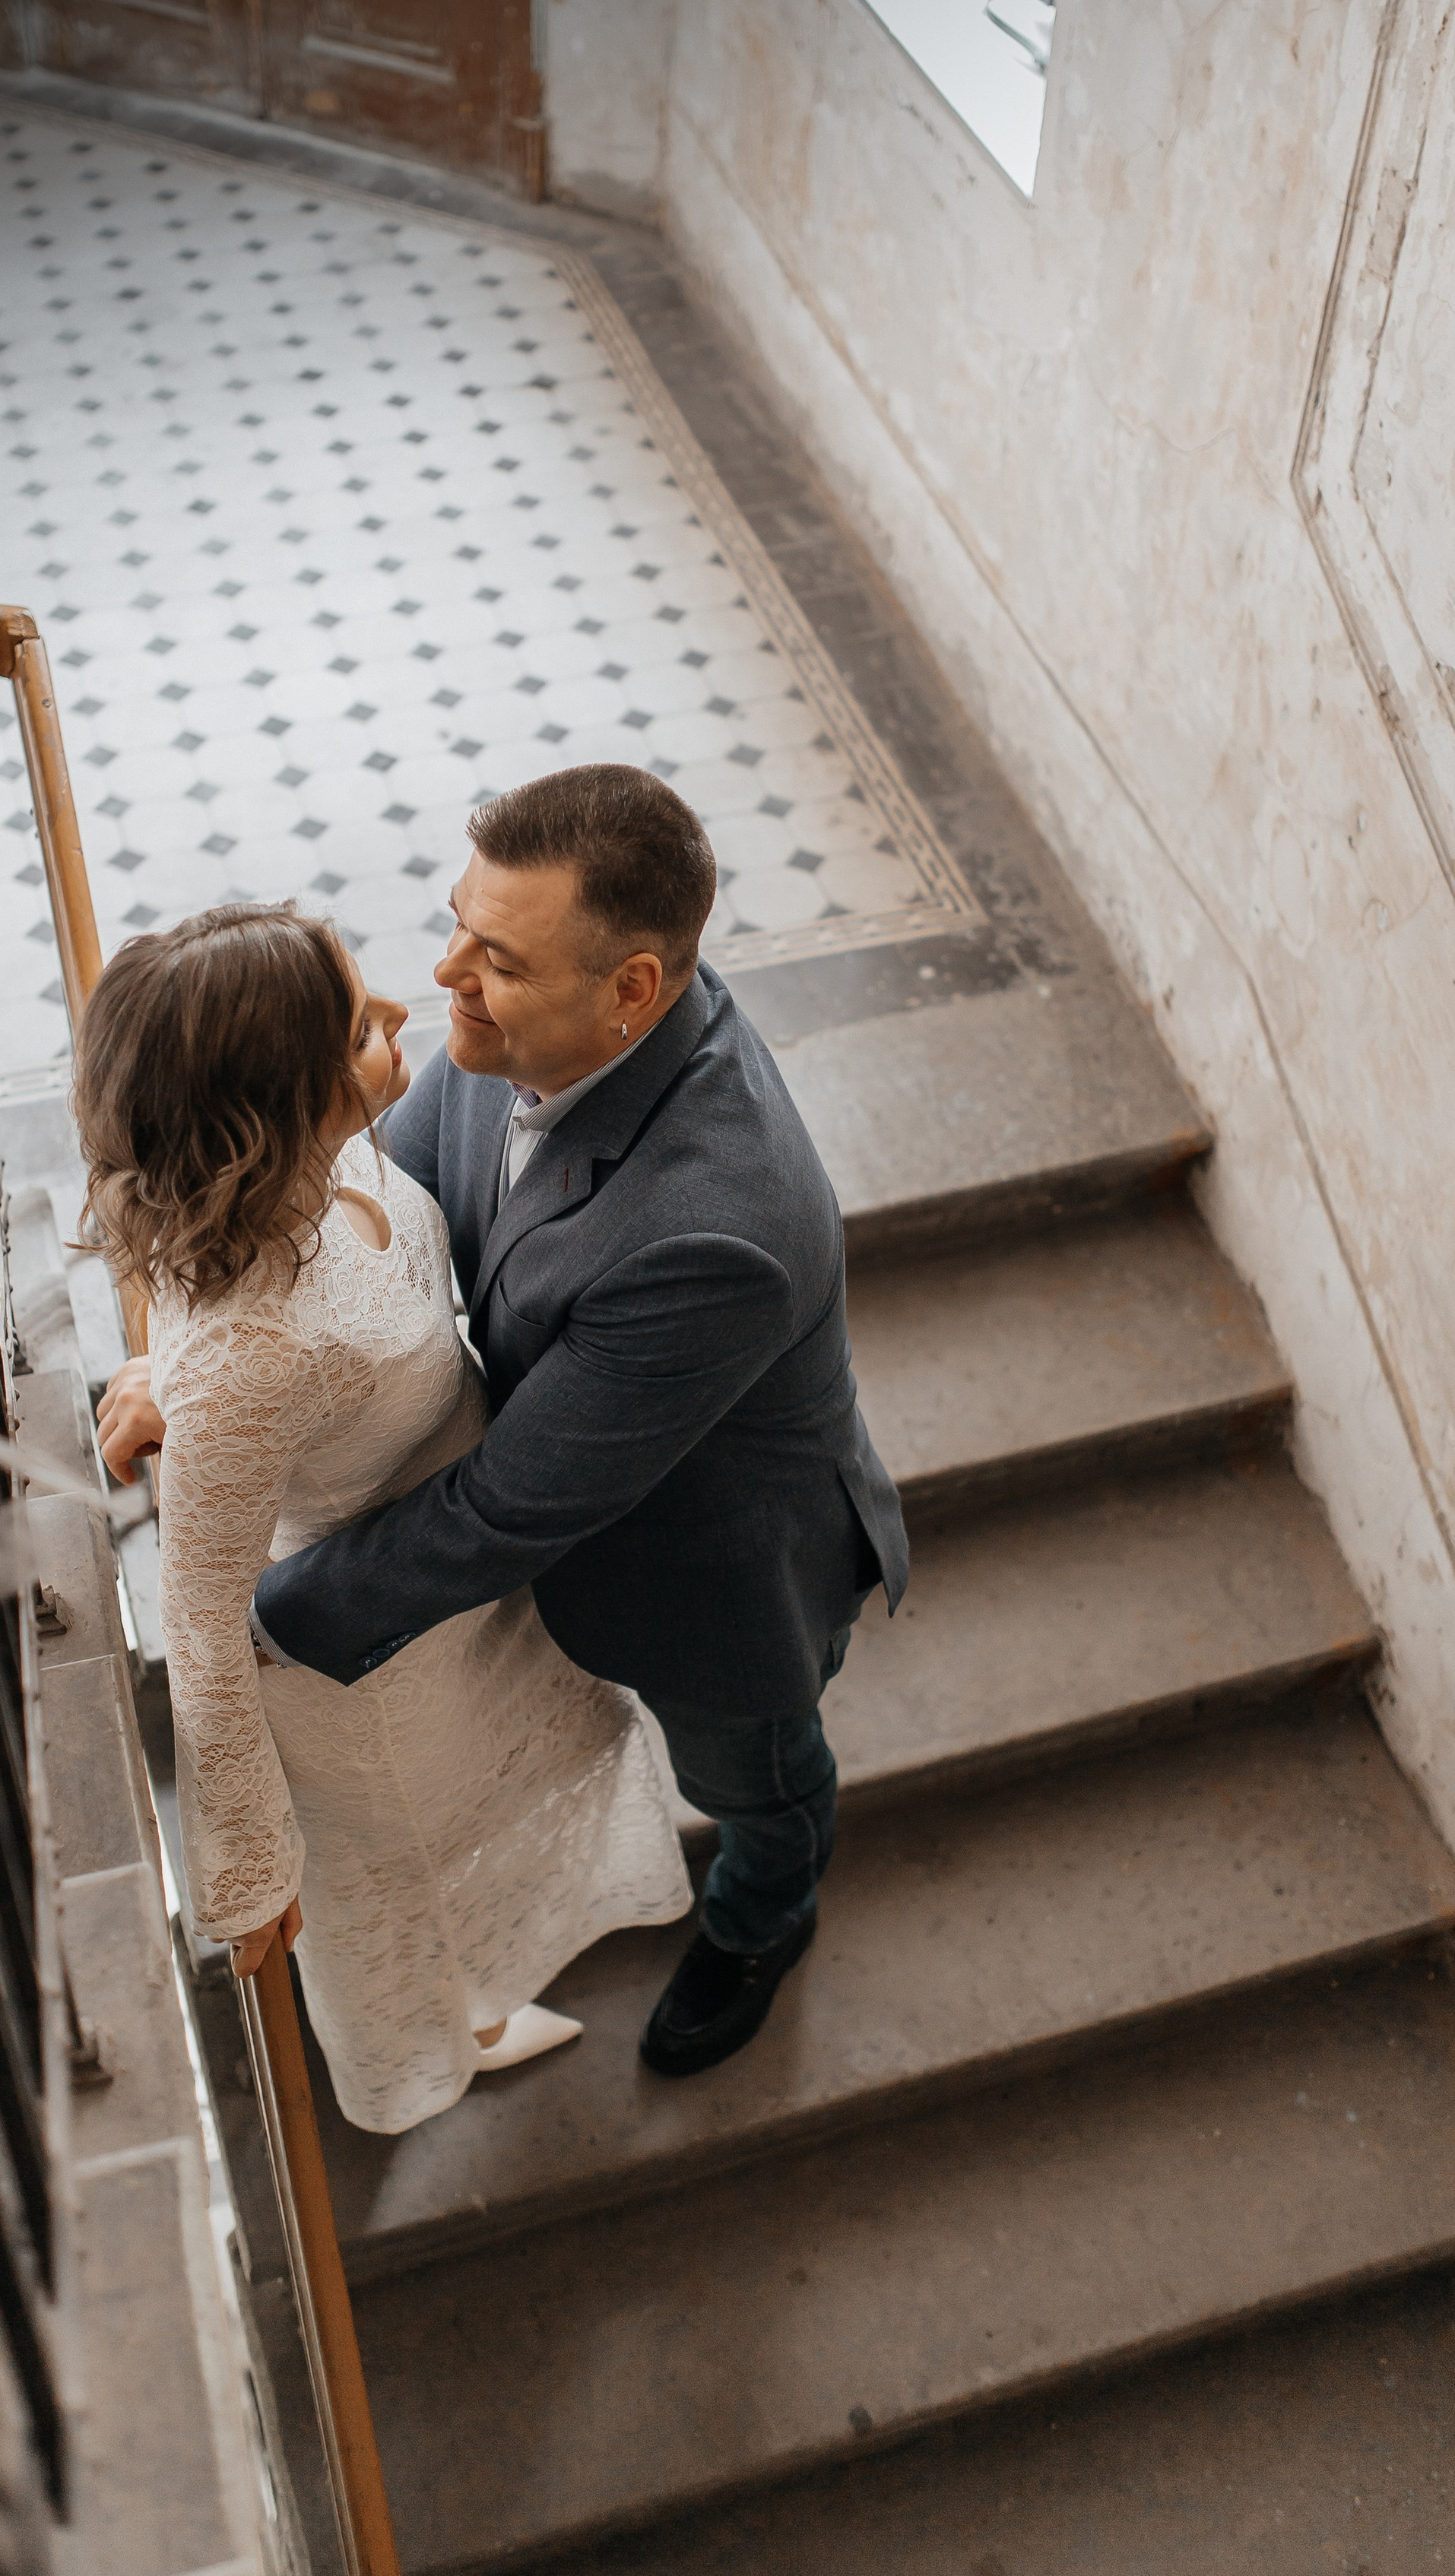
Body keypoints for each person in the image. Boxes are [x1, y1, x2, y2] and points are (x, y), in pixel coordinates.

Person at [100, 766, 908, 2080]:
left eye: (497, 957)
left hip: (708, 1568)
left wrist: (261, 1621)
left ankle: (768, 1916)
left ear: (631, 990)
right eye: (458, 921)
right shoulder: (524, 1032)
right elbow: (384, 1193)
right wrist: (203, 1366)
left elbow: (506, 1510)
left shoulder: (717, 1226)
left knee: (751, 1779)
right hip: (557, 1500)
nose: (442, 974)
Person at [78, 903, 690, 2137]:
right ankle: (439, 2035)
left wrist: (170, 1384)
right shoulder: (247, 1355)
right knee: (420, 1866)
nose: (404, 1016)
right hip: (370, 1669)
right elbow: (198, 1625)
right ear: (281, 1103)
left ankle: (490, 1987)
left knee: (525, 1779)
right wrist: (248, 1869)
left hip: (453, 1593)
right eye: (360, 1028)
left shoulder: (333, 1164)